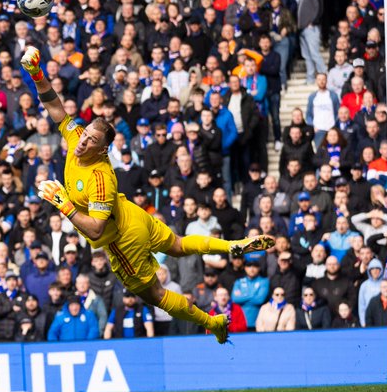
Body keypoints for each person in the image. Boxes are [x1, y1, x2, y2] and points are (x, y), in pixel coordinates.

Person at [20, 46, 272, 344]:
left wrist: (65, 206)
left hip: (123, 239)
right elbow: (56, 108)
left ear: (104, 150)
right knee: (177, 244)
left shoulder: (100, 178)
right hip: (135, 215)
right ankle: (231, 246)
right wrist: (37, 74)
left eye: (91, 141)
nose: (82, 142)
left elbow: (97, 228)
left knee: (155, 294)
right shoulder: (76, 137)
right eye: (85, 134)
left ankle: (213, 323)